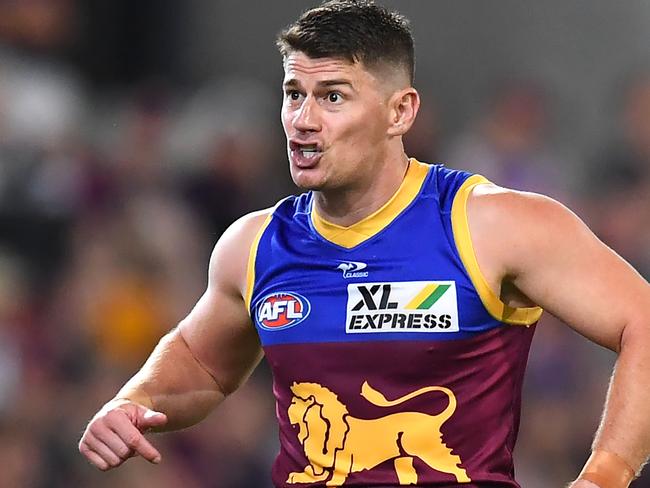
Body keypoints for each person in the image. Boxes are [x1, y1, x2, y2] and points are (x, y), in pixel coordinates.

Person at [79, 1, 650, 487]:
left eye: (332, 97)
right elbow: (202, 365)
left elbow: (642, 321)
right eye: (292, 94)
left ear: (399, 111)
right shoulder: (255, 245)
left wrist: (606, 471)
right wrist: (135, 401)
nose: (303, 120)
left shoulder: (493, 226)